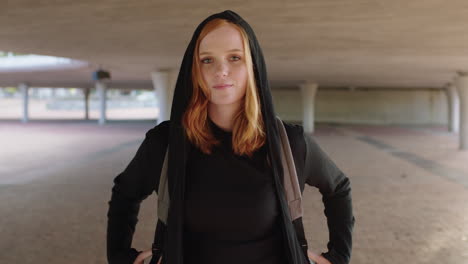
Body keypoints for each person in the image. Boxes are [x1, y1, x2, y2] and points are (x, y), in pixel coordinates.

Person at [107, 10, 355, 264]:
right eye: (207, 60)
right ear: (194, 69)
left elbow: (338, 188)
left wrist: (338, 255)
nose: (221, 70)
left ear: (253, 66)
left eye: (235, 57)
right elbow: (125, 193)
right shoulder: (166, 142)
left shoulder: (288, 143)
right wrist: (120, 256)